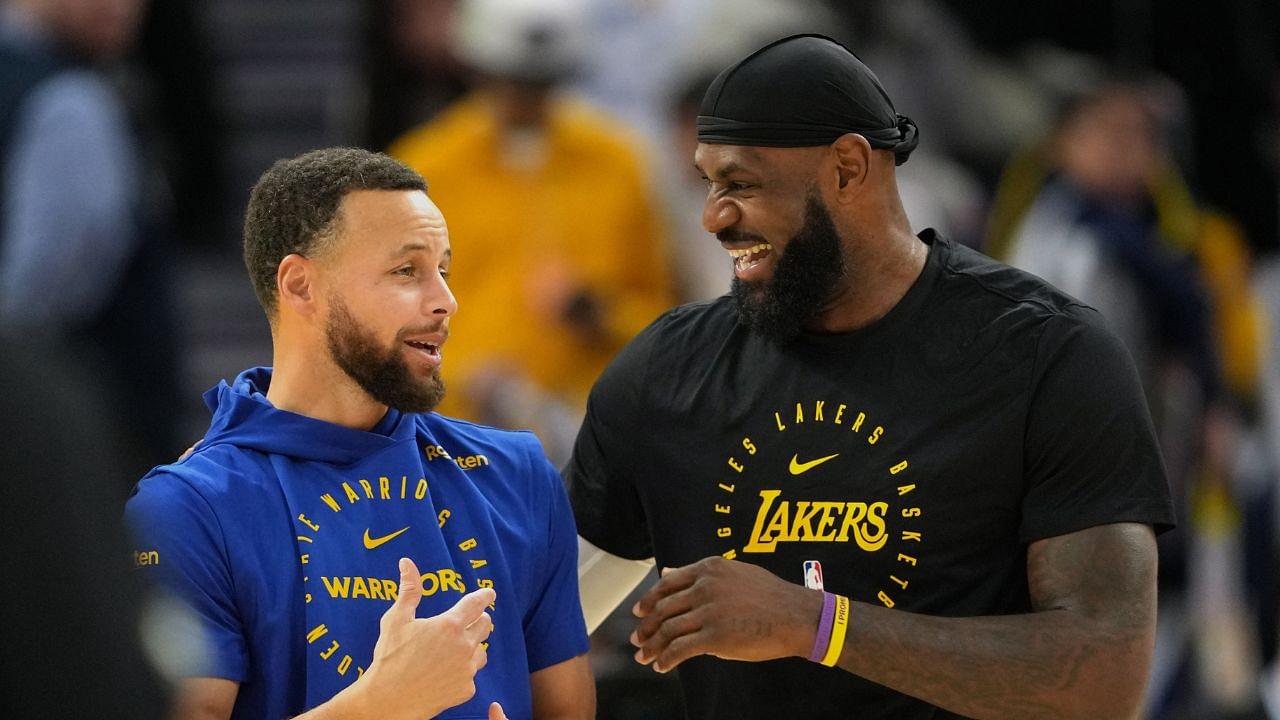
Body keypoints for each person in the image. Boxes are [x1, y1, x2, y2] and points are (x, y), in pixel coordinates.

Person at [566, 35, 1175, 719]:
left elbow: (1104, 680)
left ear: (849, 169)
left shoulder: (1046, 354)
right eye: (706, 184)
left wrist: (815, 624)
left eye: (740, 183)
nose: (714, 217)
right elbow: (539, 628)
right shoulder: (666, 373)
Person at [126, 148, 593, 720]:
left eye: (443, 270)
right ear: (300, 286)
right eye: (407, 271)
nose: (446, 300)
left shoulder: (516, 475)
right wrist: (381, 704)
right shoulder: (187, 508)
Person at [388, 0, 674, 464]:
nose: (524, 99)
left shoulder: (618, 162)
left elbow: (662, 320)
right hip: (455, 432)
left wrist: (599, 313)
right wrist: (461, 376)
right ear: (477, 70)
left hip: (593, 428)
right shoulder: (424, 168)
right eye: (510, 80)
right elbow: (385, 322)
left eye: (541, 83)